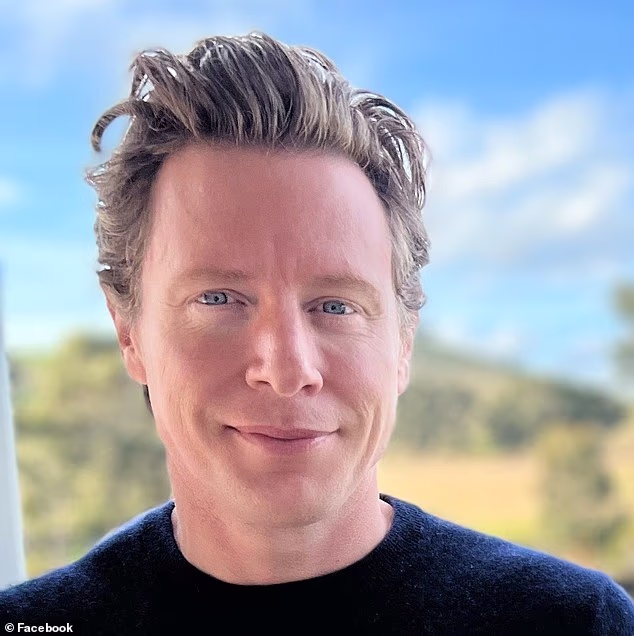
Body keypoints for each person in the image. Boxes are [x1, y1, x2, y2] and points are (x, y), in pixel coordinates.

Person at [1, 31, 633, 635]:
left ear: (403, 343)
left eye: (335, 305)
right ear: (129, 332)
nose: (287, 369)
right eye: (218, 298)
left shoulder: (567, 623)